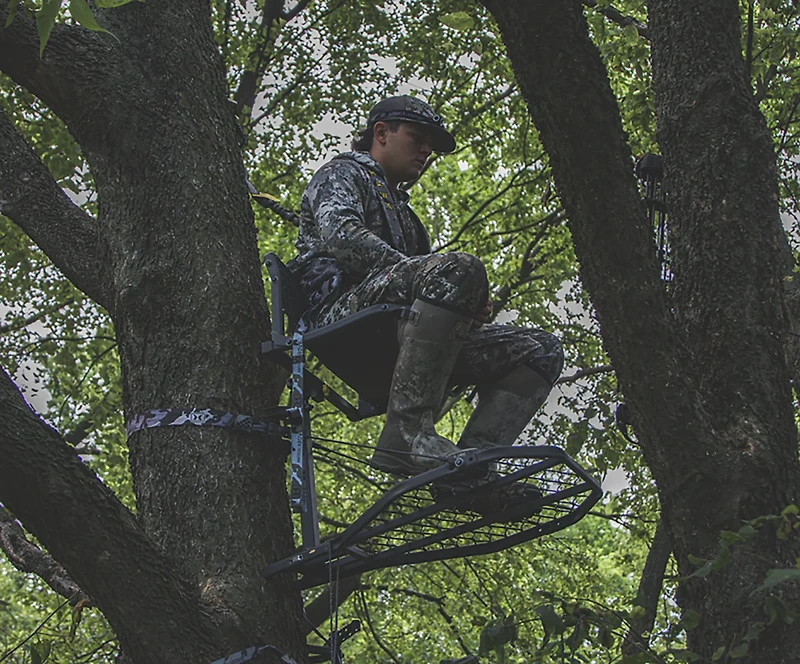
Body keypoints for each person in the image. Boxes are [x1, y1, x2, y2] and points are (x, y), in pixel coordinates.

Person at [291, 95, 564, 476]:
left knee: (542, 350)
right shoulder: (343, 174)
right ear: (381, 133)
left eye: (431, 147)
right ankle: (407, 435)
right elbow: (343, 237)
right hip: (342, 318)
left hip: (398, 331)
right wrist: (445, 278)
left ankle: (472, 468)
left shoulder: (407, 219)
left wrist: (466, 308)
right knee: (460, 268)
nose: (425, 151)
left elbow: (429, 292)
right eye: (417, 137)